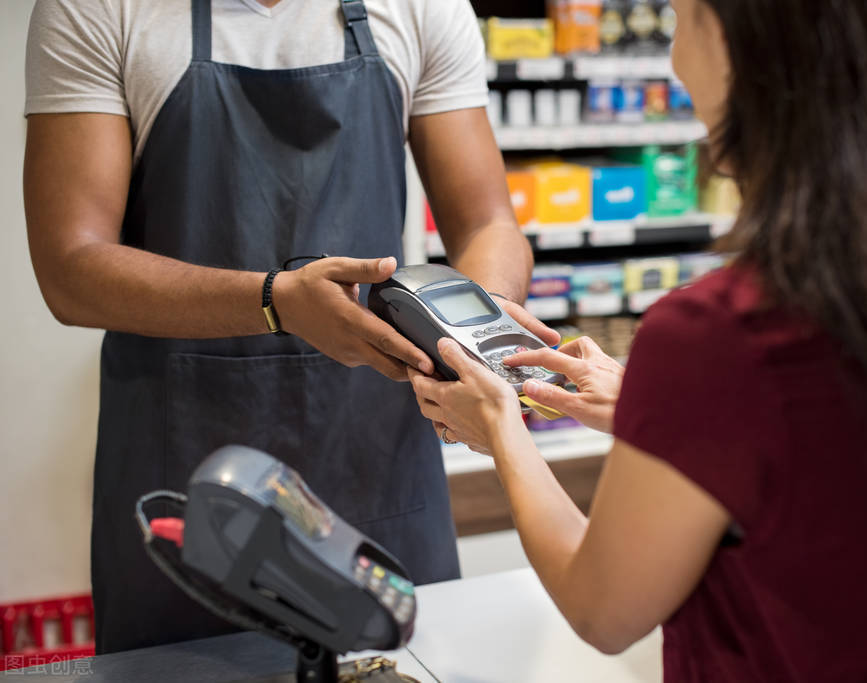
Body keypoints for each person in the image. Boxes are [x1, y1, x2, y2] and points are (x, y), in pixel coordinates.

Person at [409, 0, 867, 680]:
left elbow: (602, 610)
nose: (675, 62)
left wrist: (502, 427)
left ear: (739, 47)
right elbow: (853, 455)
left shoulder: (719, 334)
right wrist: (659, 414)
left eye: (681, 18)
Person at [23, 0, 558, 654]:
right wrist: (273, 301)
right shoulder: (98, 9)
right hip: (187, 467)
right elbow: (70, 267)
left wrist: (475, 318)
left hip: (377, 457)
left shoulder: (421, 8)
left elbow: (487, 223)